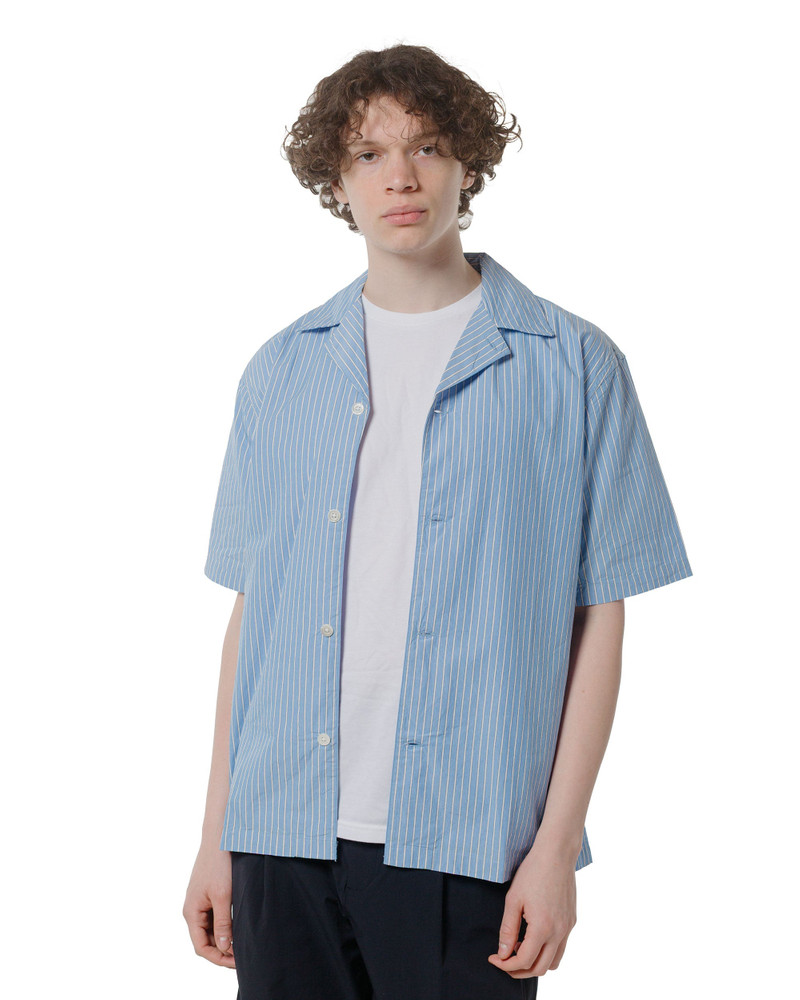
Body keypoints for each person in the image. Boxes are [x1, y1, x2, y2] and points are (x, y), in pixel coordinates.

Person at [183, 43, 692, 999]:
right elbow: (255, 615)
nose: (401, 178)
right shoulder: (282, 370)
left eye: (426, 147)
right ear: (336, 180)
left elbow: (601, 618)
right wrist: (217, 836)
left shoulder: (573, 365)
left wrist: (555, 850)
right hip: (282, 834)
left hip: (470, 841)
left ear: (469, 163)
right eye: (368, 154)